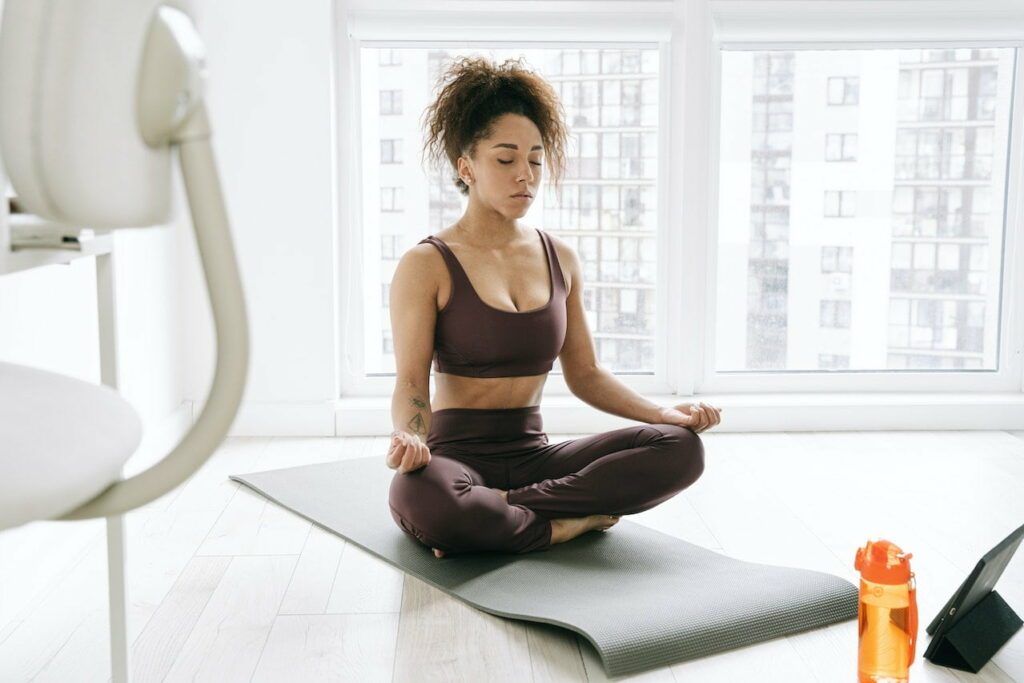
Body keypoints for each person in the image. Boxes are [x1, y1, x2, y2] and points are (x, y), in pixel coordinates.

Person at [385, 55, 721, 559]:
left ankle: (504, 512)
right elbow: (412, 385)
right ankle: (563, 525)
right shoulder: (425, 264)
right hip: (456, 458)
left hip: (536, 457)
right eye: (506, 159)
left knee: (681, 449)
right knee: (419, 495)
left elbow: (585, 373)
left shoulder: (559, 257)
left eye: (536, 159)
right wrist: (411, 442)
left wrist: (664, 413)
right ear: (466, 167)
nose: (526, 174)